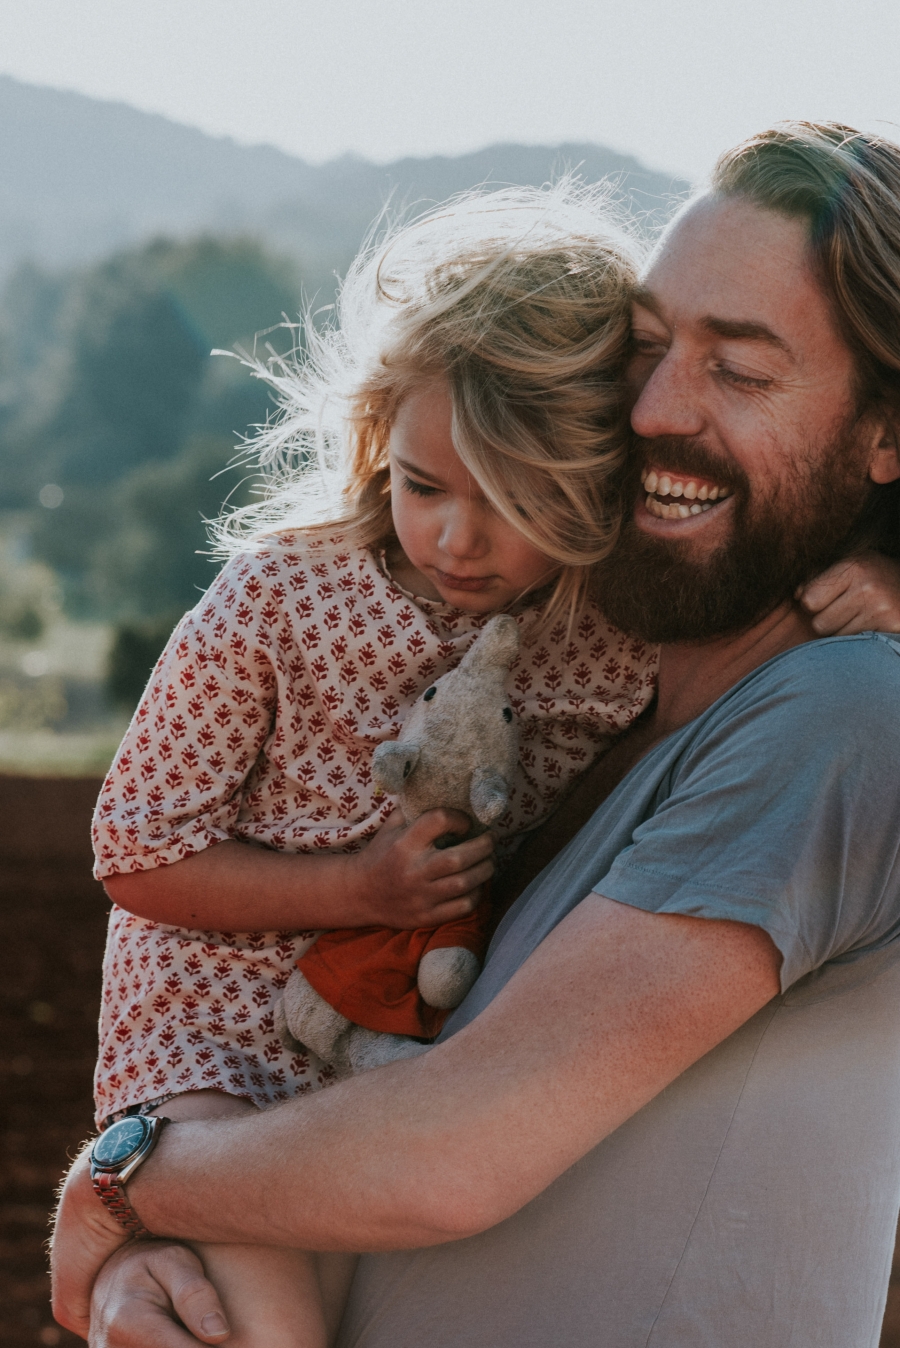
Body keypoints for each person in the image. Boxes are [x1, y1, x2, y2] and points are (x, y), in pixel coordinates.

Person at [52, 121, 900, 1348]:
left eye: (742, 370)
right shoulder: (593, 732)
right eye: (648, 349)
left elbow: (447, 1155)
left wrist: (127, 1177)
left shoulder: (844, 716)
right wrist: (186, 1268)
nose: (656, 408)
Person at [86, 185, 663, 1346]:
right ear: (374, 442)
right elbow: (137, 853)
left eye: (516, 502)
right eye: (423, 484)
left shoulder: (612, 634)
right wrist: (358, 889)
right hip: (213, 1035)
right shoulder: (275, 596)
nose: (458, 538)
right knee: (269, 1327)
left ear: (602, 485)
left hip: (406, 1060)